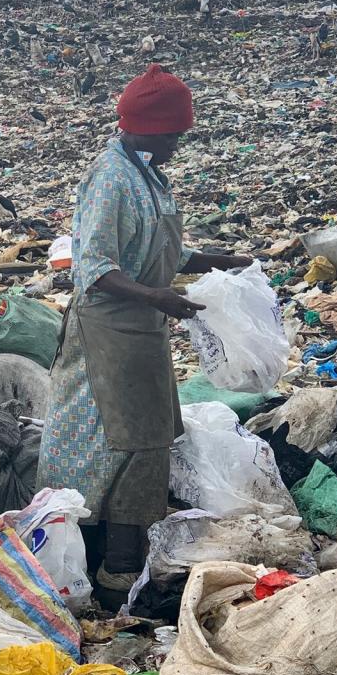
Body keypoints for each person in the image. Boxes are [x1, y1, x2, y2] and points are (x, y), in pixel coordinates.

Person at [37, 63, 251, 600]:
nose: (178, 143)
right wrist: (158, 296)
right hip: (108, 332)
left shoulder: (147, 173)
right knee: (115, 443)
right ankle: (107, 571)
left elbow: (168, 252)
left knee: (152, 437)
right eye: (174, 133)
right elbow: (94, 269)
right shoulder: (109, 177)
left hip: (145, 327)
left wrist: (231, 263)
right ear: (148, 127)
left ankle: (124, 569)